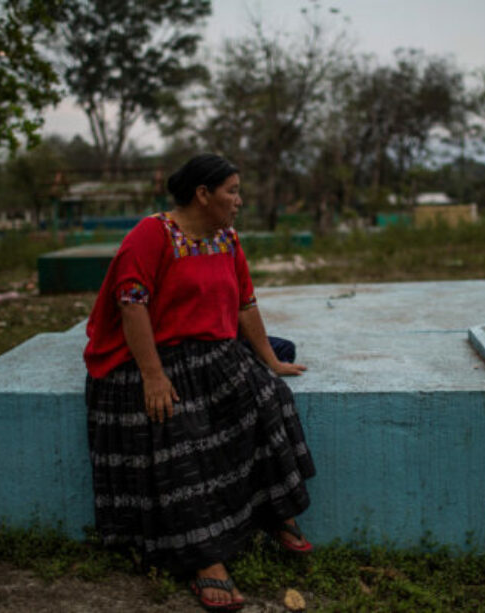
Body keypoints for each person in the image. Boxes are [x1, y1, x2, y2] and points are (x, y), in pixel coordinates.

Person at [83, 154, 315, 611]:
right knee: (179, 431)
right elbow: (132, 306)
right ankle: (207, 561)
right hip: (152, 355)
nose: (239, 201)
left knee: (270, 398)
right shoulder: (151, 235)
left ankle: (274, 515)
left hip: (212, 351)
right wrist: (153, 377)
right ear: (202, 194)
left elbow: (245, 304)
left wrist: (269, 359)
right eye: (231, 191)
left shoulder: (227, 239)